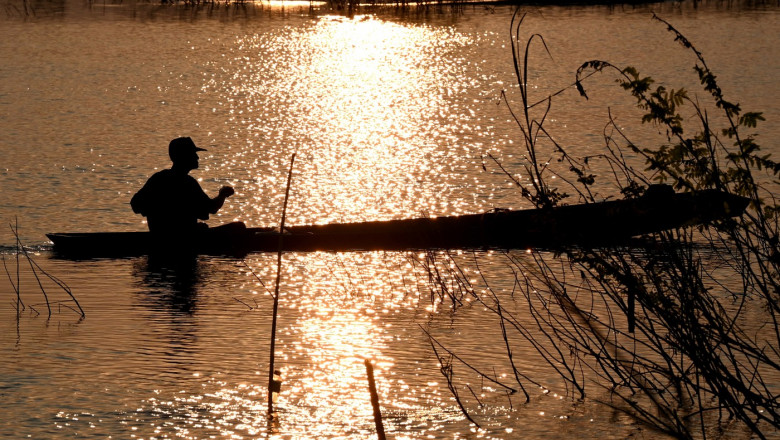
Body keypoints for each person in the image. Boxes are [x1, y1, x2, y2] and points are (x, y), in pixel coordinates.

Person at [131, 137, 235, 236]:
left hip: (159, 236)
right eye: (193, 153)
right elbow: (211, 208)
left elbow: (135, 204)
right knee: (239, 227)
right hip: (184, 239)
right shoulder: (188, 183)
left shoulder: (158, 178)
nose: (197, 157)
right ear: (184, 156)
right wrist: (222, 195)